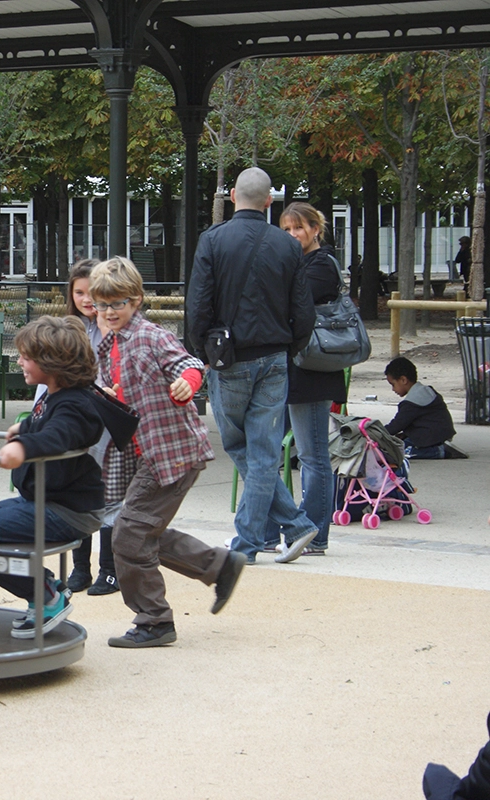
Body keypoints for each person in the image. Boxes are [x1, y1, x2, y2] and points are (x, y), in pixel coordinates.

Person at [91, 256, 245, 648]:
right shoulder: (109, 343)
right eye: (102, 305)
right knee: (141, 531)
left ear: (136, 301)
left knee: (127, 535)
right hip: (148, 453)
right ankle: (219, 565)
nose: (109, 312)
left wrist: (187, 383)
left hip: (172, 453)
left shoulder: (151, 335)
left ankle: (155, 621)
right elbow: (118, 387)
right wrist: (108, 396)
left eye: (118, 304)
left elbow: (189, 363)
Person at [186, 167, 318, 565]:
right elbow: (304, 311)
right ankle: (293, 525)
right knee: (262, 451)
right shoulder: (288, 246)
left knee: (239, 445)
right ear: (269, 202)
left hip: (229, 357)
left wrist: (203, 352)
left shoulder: (212, 241)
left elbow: (198, 306)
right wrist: (288, 346)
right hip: (275, 355)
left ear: (230, 196)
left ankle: (251, 542)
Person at [0, 315, 105, 640]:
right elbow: (50, 426)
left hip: (67, 510)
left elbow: (59, 435)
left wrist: (22, 446)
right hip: (50, 500)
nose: (19, 360)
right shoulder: (58, 395)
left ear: (50, 363)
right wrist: (25, 428)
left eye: (26, 356)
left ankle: (46, 595)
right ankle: (46, 587)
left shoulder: (74, 404)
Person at [263, 202, 349, 557]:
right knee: (267, 453)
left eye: (298, 228)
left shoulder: (321, 266)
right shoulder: (296, 263)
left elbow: (289, 306)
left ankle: (314, 533)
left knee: (313, 457)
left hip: (311, 371)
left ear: (316, 229)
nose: (292, 235)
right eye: (285, 229)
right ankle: (267, 532)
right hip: (287, 367)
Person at [57, 258, 121, 597]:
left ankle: (110, 570)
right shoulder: (68, 329)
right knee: (76, 493)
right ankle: (81, 567)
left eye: (92, 293)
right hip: (76, 422)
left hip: (108, 424)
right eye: (79, 293)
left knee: (109, 496)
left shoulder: (115, 327)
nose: (86, 300)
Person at [384, 356, 464, 459]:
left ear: (403, 380)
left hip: (431, 438)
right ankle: (440, 447)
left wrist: (376, 434)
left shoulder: (412, 403)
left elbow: (396, 425)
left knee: (396, 452)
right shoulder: (427, 391)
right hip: (439, 434)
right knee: (400, 442)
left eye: (393, 384)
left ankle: (439, 451)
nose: (393, 389)